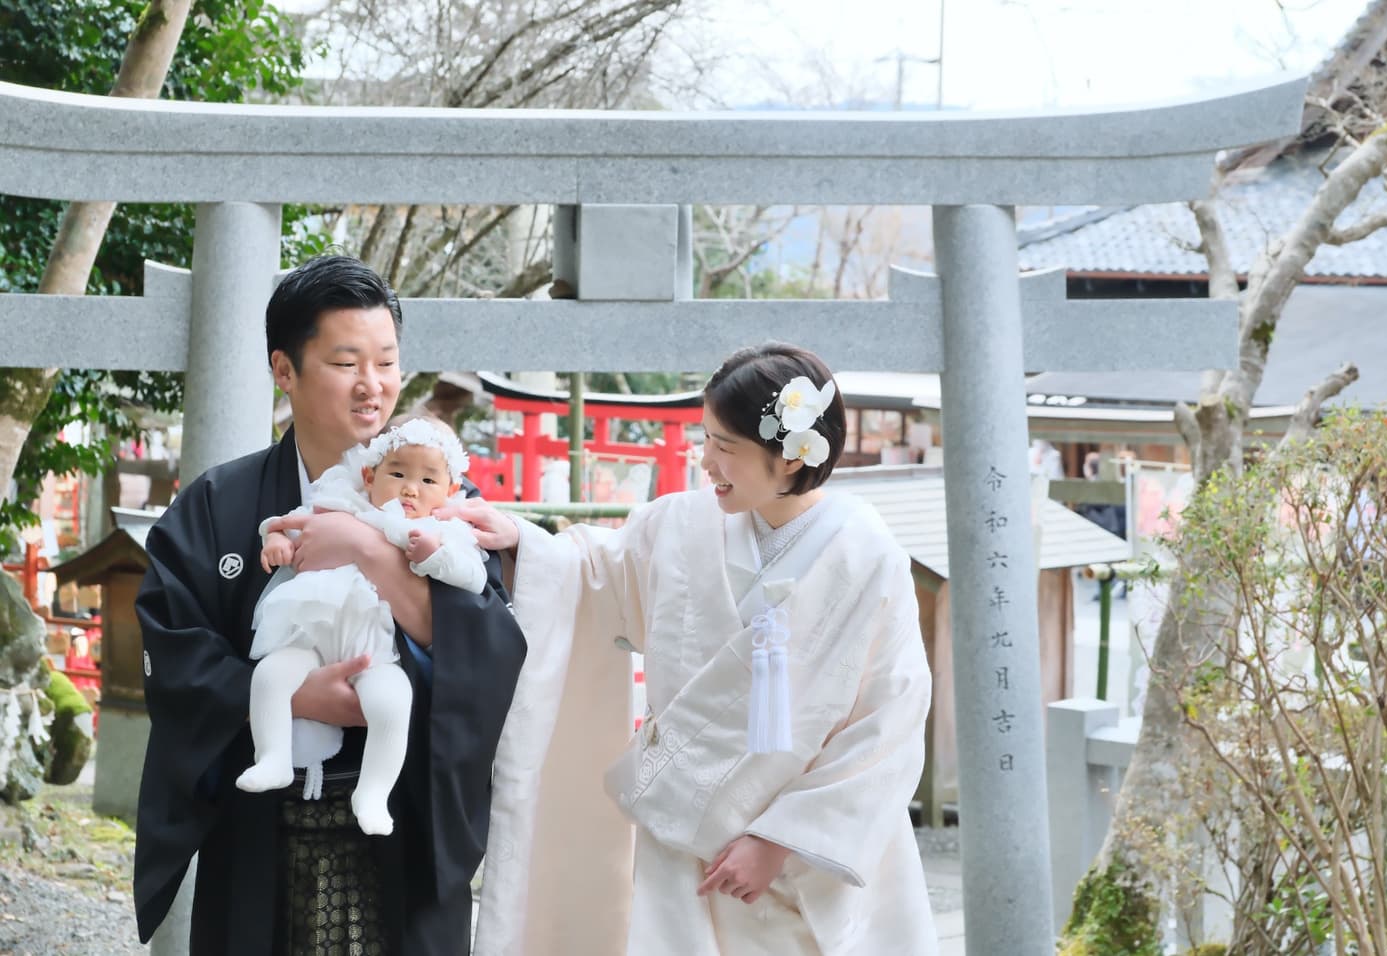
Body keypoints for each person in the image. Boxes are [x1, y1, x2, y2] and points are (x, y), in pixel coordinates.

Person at [461, 344, 937, 955]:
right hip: (682, 828)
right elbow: (598, 575)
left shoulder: (867, 556)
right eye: (705, 438)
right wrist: (523, 543)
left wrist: (777, 840)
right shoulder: (682, 523)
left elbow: (890, 721)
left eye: (726, 447)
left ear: (791, 456)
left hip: (799, 852)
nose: (706, 460)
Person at [132, 254, 527, 955]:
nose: (372, 386)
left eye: (386, 361)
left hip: (402, 828)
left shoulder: (444, 506)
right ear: (284, 370)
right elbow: (175, 653)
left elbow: (490, 654)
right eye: (347, 362)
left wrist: (369, 551)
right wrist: (297, 697)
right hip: (261, 833)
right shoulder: (218, 504)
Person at [240, 417, 493, 837]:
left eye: (428, 480)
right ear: (369, 476)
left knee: (393, 703)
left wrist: (431, 556)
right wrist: (276, 540)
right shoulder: (344, 505)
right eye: (397, 474)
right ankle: (272, 756)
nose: (410, 489)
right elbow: (286, 521)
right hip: (311, 631)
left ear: (451, 491)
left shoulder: (443, 531)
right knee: (269, 675)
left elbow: (473, 578)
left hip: (374, 649)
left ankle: (373, 792)